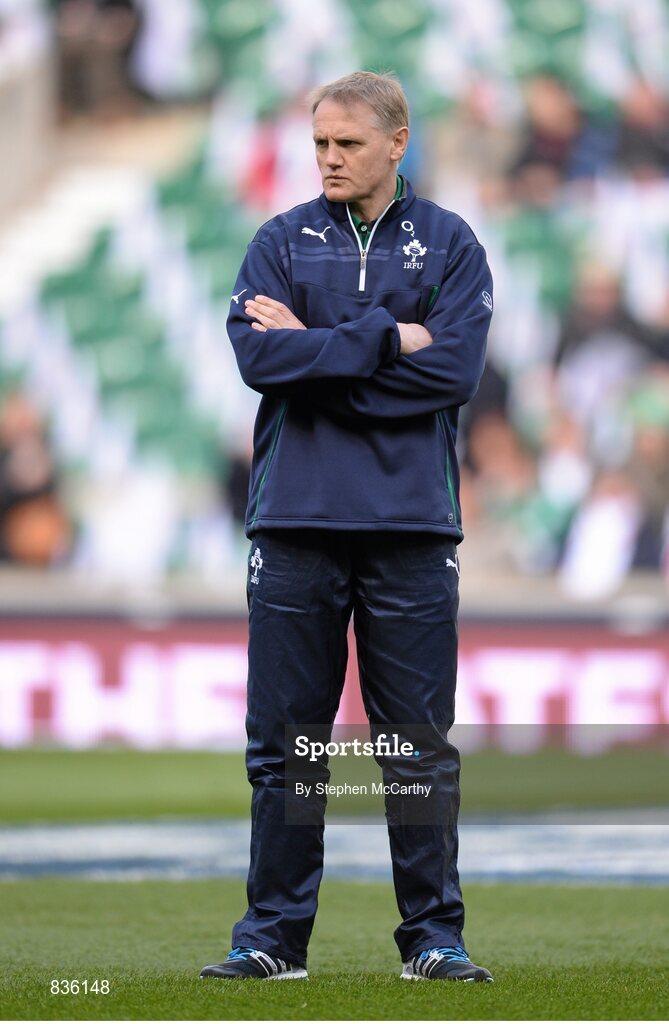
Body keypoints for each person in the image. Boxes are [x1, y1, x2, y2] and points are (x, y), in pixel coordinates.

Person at [201, 71, 494, 983]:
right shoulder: (278, 240)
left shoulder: (450, 244)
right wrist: (383, 336)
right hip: (293, 520)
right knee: (288, 745)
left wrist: (316, 349)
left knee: (414, 746)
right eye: (319, 143)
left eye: (347, 144)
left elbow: (450, 375)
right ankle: (271, 940)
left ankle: (432, 938)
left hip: (409, 525)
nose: (328, 158)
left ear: (396, 142)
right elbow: (258, 359)